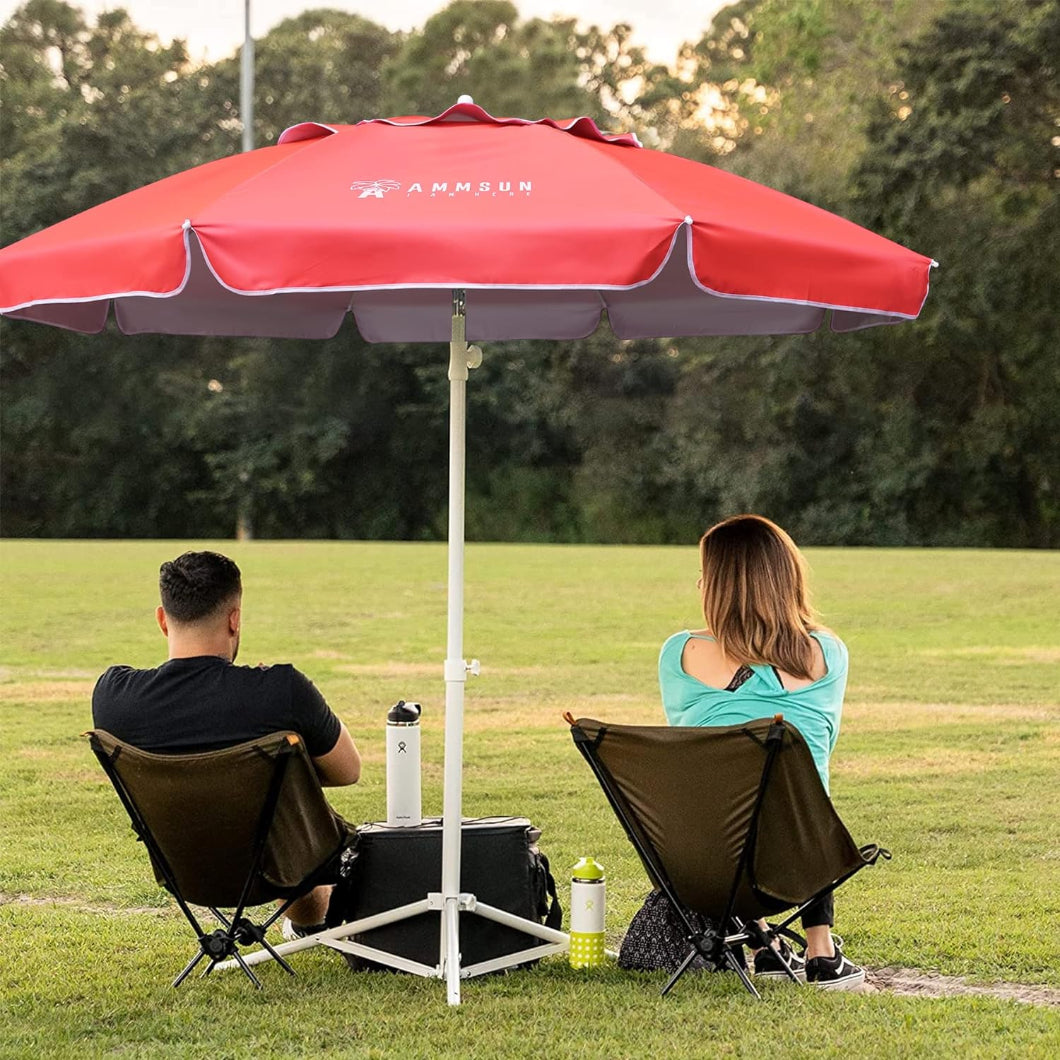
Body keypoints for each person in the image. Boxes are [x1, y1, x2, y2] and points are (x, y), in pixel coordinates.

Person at [92, 550, 361, 938]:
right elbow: (347, 770)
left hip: (185, 873)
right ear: (234, 619)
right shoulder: (280, 692)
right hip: (276, 868)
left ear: (163, 621)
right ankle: (310, 922)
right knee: (289, 821)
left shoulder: (112, 697)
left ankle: (308, 920)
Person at [658, 514, 864, 990]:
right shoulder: (828, 653)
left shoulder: (679, 654)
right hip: (798, 852)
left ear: (716, 587)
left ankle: (765, 944)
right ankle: (821, 952)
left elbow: (691, 745)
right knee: (798, 797)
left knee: (729, 788)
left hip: (703, 857)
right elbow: (820, 749)